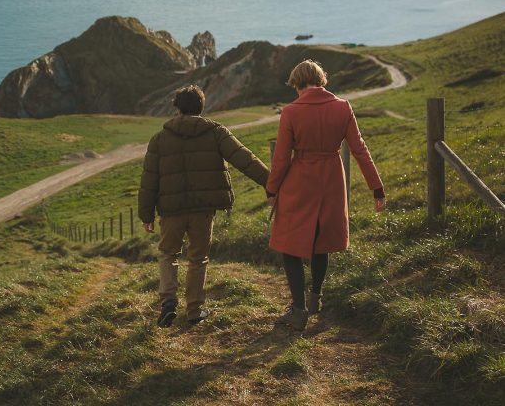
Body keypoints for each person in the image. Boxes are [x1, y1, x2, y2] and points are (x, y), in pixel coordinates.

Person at [266, 60, 386, 331]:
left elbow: (282, 159)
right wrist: (376, 188)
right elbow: (360, 150)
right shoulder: (342, 107)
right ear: (321, 80)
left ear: (297, 83)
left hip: (300, 182)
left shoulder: (291, 112)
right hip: (332, 178)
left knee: (289, 245)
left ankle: (298, 310)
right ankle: (315, 298)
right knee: (322, 242)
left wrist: (272, 188)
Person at [139, 85, 270, 327]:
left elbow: (149, 180)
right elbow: (245, 159)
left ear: (177, 108)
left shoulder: (159, 139)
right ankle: (194, 310)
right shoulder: (216, 132)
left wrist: (146, 214)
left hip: (171, 210)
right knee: (198, 258)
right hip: (203, 209)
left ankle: (168, 301)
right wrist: (271, 182)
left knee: (168, 254)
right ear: (201, 107)